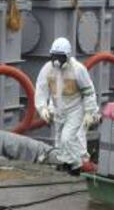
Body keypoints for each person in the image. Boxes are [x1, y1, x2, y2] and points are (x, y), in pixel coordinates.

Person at [34, 37, 100, 175]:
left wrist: (89, 112)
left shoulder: (77, 70)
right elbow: (41, 90)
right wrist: (43, 109)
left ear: (67, 57)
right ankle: (66, 163)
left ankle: (77, 165)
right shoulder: (48, 70)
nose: (57, 61)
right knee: (59, 140)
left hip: (75, 109)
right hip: (58, 109)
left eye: (60, 57)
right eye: (54, 57)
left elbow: (89, 91)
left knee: (68, 137)